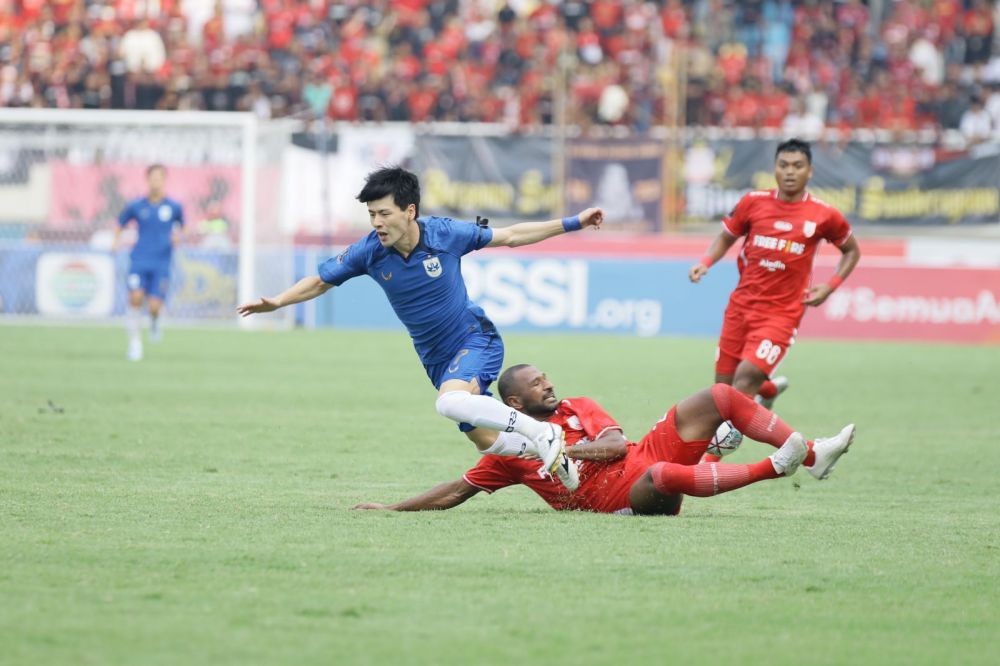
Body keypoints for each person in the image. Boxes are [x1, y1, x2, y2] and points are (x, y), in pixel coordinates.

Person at [237, 166, 603, 490]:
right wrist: (277, 302)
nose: (377, 223)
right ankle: (554, 449)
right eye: (371, 215)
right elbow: (320, 281)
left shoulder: (445, 234)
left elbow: (511, 235)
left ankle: (542, 431)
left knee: (449, 403)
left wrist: (574, 222)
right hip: (435, 358)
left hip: (475, 339)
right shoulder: (369, 251)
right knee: (488, 442)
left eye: (384, 213)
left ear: (409, 211)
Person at [353, 364, 855, 515]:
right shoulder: (509, 456)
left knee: (719, 395)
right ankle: (774, 466)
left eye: (546, 377)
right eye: (536, 384)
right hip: (617, 496)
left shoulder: (580, 407)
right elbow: (457, 489)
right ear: (516, 407)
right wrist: (393, 510)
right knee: (663, 477)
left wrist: (563, 449)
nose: (549, 384)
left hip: (638, 455)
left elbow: (616, 446)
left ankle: (812, 455)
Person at [688, 138, 861, 427]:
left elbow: (851, 250)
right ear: (775, 169)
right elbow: (726, 237)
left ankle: (709, 464)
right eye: (784, 165)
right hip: (741, 308)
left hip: (782, 313)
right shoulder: (752, 203)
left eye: (797, 166)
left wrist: (830, 285)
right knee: (722, 393)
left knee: (742, 386)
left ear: (810, 172)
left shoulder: (823, 215)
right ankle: (767, 388)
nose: (790, 172)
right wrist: (705, 263)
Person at [113, 164, 184, 361]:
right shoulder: (137, 206)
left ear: (164, 180)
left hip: (162, 263)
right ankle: (134, 343)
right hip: (139, 260)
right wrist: (115, 241)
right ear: (147, 180)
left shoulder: (174, 207)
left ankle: (154, 321)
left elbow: (182, 227)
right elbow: (120, 223)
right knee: (135, 298)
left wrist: (178, 236)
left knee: (154, 306)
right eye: (152, 178)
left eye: (159, 178)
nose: (156, 181)